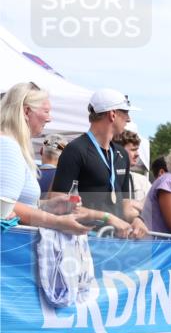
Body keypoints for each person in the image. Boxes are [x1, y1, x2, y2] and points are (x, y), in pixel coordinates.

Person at [49, 88, 147, 237]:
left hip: (114, 245)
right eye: (125, 113)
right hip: (84, 242)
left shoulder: (121, 155)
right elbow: (56, 204)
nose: (129, 119)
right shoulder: (75, 150)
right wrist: (107, 217)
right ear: (112, 114)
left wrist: (138, 220)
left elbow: (125, 205)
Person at [0, 82, 92, 234]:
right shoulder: (7, 144)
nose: (50, 118)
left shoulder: (10, 143)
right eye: (46, 111)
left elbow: (15, 204)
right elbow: (4, 207)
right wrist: (58, 222)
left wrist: (48, 206)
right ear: (27, 111)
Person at [115, 126, 150, 203]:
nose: (137, 154)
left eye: (137, 150)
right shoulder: (104, 179)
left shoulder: (142, 182)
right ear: (118, 151)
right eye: (133, 150)